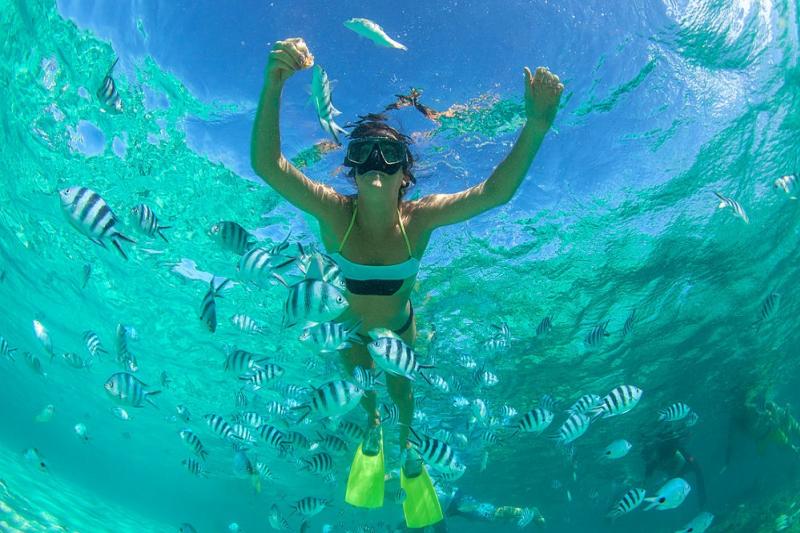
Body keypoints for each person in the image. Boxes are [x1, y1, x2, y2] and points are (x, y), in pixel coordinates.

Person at [251, 37, 563, 528]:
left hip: (400, 332)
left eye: (390, 154)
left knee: (403, 398)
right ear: (352, 167)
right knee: (367, 401)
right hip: (350, 334)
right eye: (364, 153)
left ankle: (409, 447)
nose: (377, 162)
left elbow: (495, 192)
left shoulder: (420, 219)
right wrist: (273, 84)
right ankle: (373, 431)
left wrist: (537, 124)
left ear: (405, 173)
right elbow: (269, 166)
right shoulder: (334, 212)